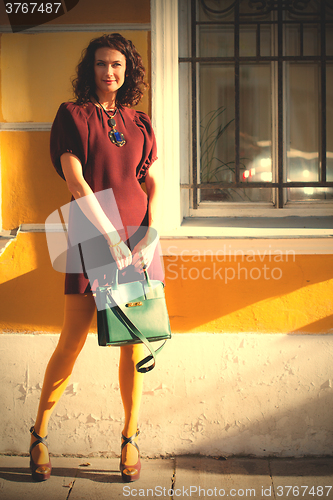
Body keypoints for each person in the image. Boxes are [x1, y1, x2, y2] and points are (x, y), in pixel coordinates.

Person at [29, 33, 162, 484]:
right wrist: (111, 239)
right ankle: (40, 434)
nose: (110, 72)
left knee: (133, 344)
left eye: (117, 65)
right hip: (92, 240)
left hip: (138, 245)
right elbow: (76, 182)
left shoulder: (139, 121)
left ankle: (129, 439)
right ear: (91, 69)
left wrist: (149, 235)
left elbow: (151, 185)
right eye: (102, 64)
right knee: (72, 341)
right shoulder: (73, 115)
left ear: (128, 71)